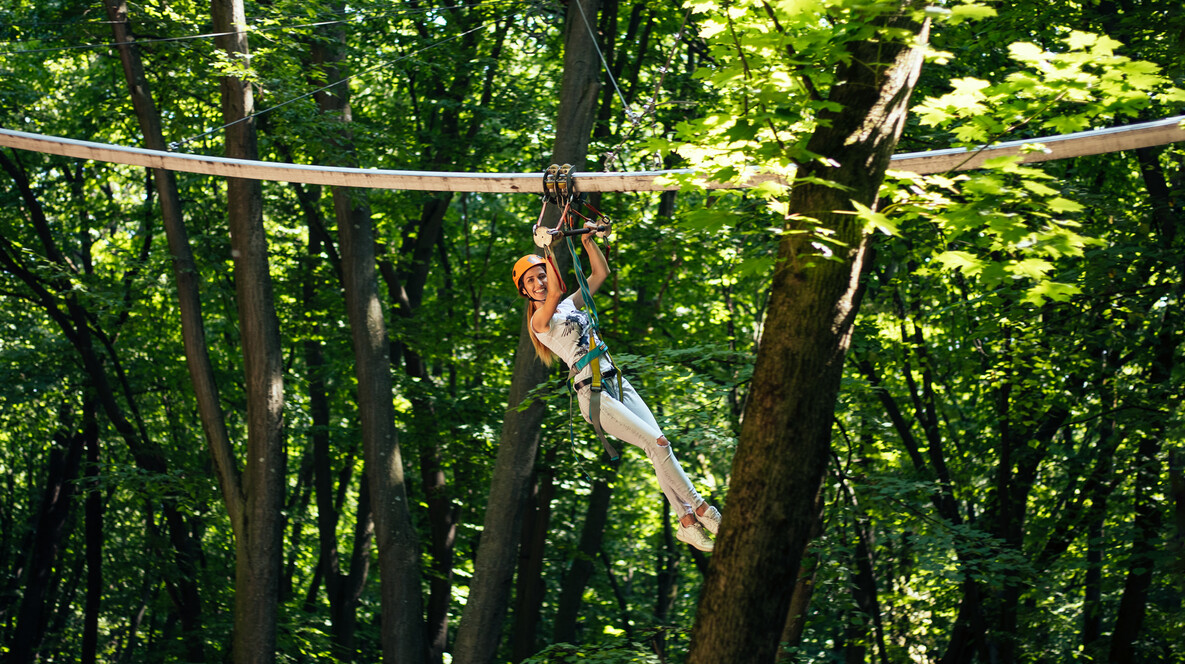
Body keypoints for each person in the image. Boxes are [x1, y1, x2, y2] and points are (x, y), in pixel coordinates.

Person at [511, 223, 722, 551]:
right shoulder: (540, 322)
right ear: (524, 291)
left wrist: (587, 240)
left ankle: (687, 524)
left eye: (541, 275)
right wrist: (549, 249)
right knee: (658, 444)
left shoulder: (569, 305)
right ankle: (702, 510)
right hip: (594, 394)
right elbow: (554, 293)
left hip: (616, 381)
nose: (539, 283)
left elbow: (600, 274)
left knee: (660, 448)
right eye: (531, 281)